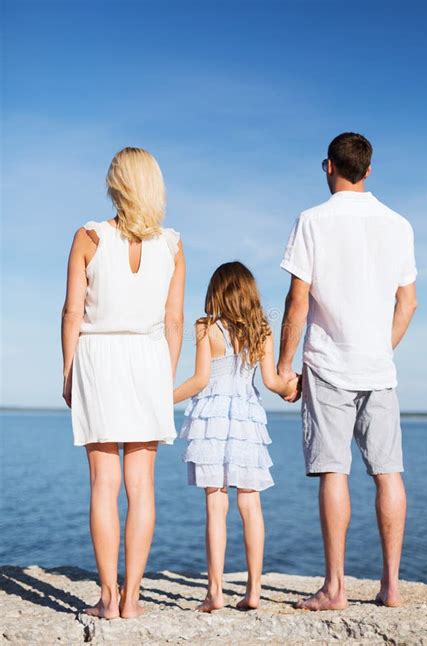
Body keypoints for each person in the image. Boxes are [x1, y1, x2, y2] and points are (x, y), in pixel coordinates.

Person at [277, 132, 417, 611]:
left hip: (328, 365)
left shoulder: (312, 221)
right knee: (389, 472)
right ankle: (391, 587)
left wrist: (283, 366)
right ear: (369, 170)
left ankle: (335, 588)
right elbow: (408, 302)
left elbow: (298, 301)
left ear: (328, 167)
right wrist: (382, 345)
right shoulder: (399, 225)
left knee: (334, 471)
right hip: (379, 367)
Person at [61, 147, 185, 619]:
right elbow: (174, 321)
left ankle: (108, 598)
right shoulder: (172, 244)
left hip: (98, 357)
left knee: (102, 485)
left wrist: (67, 370)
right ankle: (133, 598)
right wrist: (164, 374)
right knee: (142, 486)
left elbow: (73, 312)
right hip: (149, 359)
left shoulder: (89, 236)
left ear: (116, 183)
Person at [174, 262, 298, 612]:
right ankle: (253, 591)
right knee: (251, 504)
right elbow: (273, 382)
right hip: (246, 419)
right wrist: (293, 387)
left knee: (216, 505)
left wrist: (163, 398)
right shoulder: (262, 329)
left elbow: (199, 381)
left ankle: (215, 593)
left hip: (212, 420)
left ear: (217, 291)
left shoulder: (205, 327)